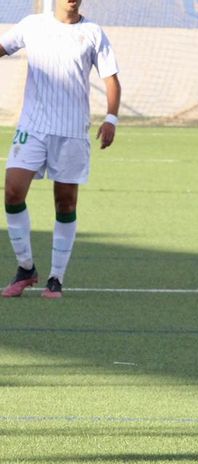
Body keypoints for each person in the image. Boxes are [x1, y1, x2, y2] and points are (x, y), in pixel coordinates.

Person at [1, 0, 121, 299]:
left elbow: (111, 79)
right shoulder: (32, 25)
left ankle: (56, 278)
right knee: (13, 192)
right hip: (33, 127)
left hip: (71, 131)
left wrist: (111, 118)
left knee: (65, 203)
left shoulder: (93, 33)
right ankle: (26, 268)